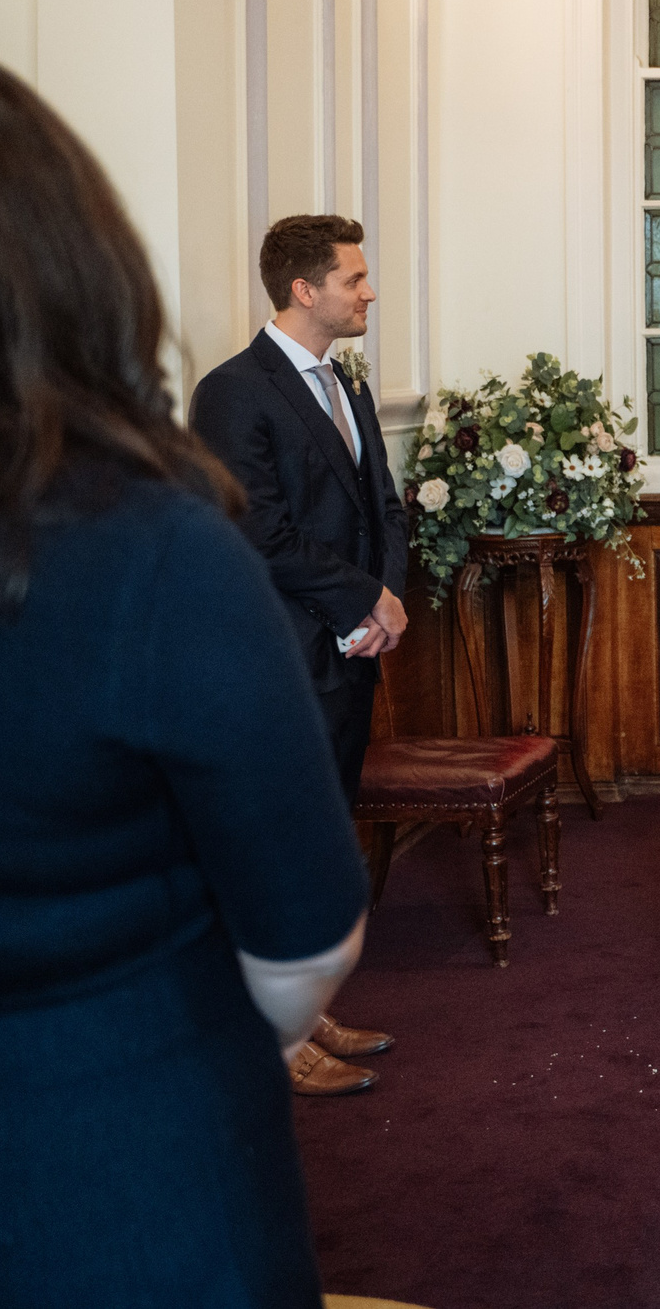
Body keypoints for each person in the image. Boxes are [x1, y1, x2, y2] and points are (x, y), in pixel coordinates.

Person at [0, 52, 372, 1304]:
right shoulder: (143, 545)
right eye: (354, 274)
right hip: (109, 1152)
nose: (369, 290)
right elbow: (303, 930)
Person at [189, 213, 409, 1097]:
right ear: (302, 288)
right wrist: (362, 599)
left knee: (321, 840)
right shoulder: (232, 392)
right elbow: (256, 529)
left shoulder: (348, 386)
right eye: (354, 278)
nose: (369, 291)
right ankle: (271, 1041)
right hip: (283, 654)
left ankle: (307, 1011)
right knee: (273, 848)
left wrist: (384, 605)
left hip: (354, 648)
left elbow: (384, 508)